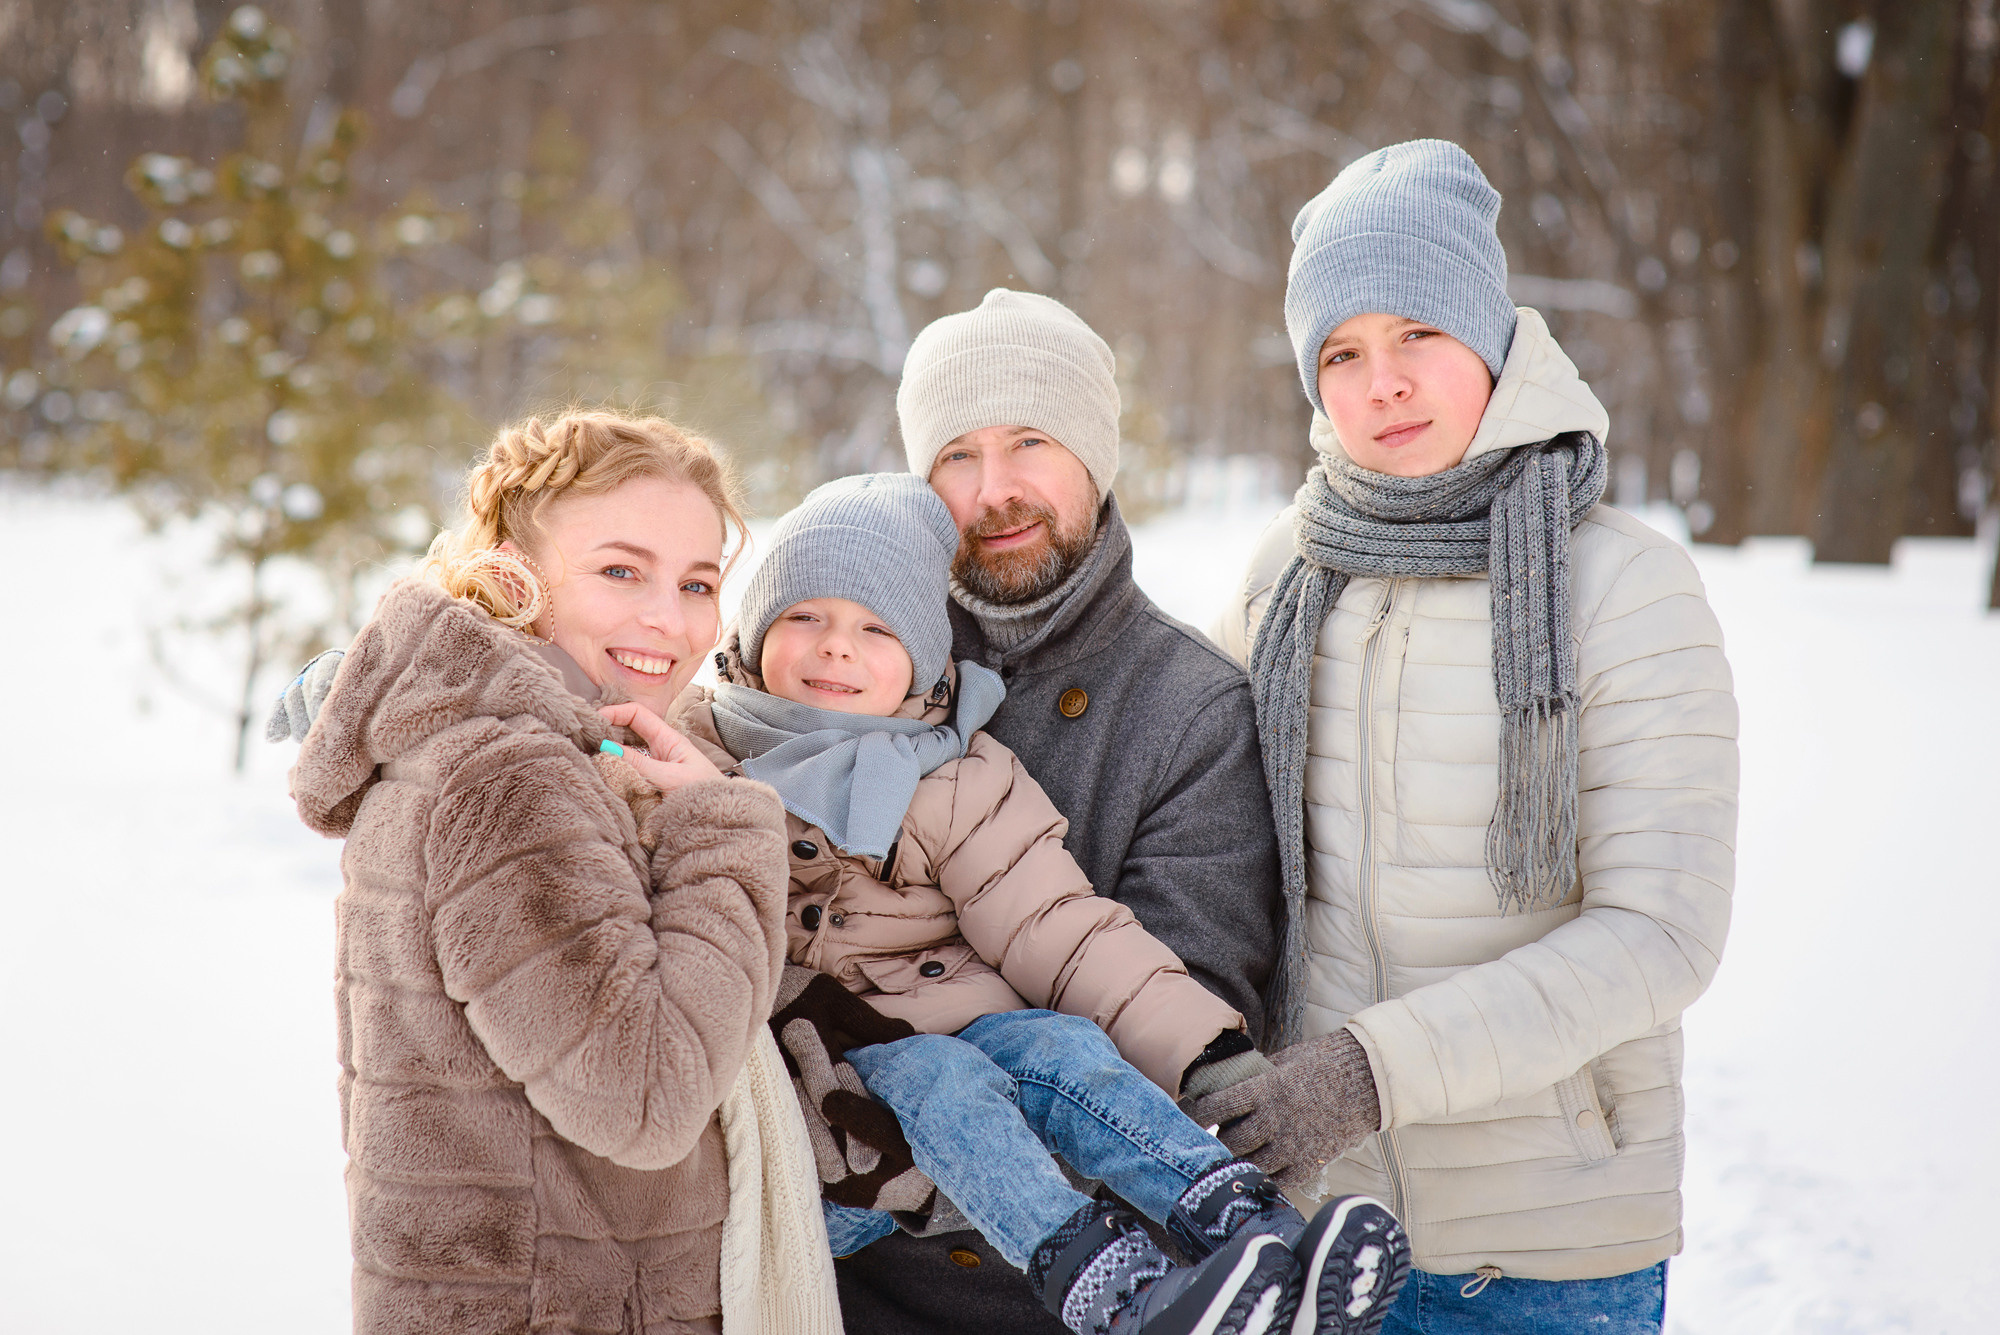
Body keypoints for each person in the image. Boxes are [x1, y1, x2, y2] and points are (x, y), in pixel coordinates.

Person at [633, 471, 1409, 1335]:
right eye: (804, 616)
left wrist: (1208, 1056)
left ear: (923, 660)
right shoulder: (696, 754)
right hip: (830, 1124)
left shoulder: (954, 772)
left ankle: (1249, 1226)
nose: (836, 648)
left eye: (876, 628)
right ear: (752, 632)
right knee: (945, 1075)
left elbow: (1063, 930)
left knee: (1061, 1045)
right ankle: (1119, 1294)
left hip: (971, 1052)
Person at [1199, 140, 1738, 1335]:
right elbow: (1187, 817)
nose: (1382, 383)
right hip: (1321, 1238)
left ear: (1489, 339)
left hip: (1545, 1257)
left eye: (1417, 334)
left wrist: (1367, 1073)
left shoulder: (1619, 585)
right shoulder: (1287, 576)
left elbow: (1659, 934)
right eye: (1341, 353)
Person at [284, 410, 842, 1335]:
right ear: (515, 572)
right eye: (621, 571)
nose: (670, 619)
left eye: (698, 582)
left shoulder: (524, 743)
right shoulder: (511, 778)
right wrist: (722, 831)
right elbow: (647, 1096)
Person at [831, 289, 1289, 1334]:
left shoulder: (1190, 709)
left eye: (1029, 442)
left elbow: (1175, 1040)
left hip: (1086, 1291)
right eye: (956, 455)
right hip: (855, 1290)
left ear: (1094, 457)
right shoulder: (839, 659)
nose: (993, 490)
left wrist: (881, 1136)